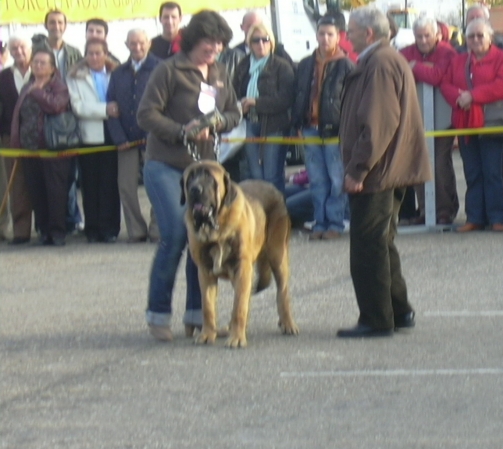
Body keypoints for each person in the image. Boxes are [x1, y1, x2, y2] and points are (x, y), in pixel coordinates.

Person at [137, 10, 241, 342]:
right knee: (175, 236)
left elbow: (234, 111)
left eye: (220, 42)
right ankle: (158, 315)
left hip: (205, 169)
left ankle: (200, 318)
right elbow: (145, 114)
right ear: (194, 39)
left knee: (204, 237)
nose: (215, 47)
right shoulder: (169, 70)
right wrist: (182, 131)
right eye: (210, 41)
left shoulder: (220, 72)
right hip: (165, 165)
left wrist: (219, 123)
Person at [336, 7, 431, 338]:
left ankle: (377, 318)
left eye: (351, 29)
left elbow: (378, 124)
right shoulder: (385, 60)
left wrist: (358, 169)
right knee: (382, 242)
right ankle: (398, 310)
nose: (346, 35)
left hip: (377, 172)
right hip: (387, 169)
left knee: (368, 246)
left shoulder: (379, 64)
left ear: (369, 34)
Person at [440, 18, 503, 232]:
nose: (475, 39)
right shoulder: (458, 60)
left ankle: (498, 217)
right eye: (471, 36)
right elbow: (445, 83)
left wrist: (472, 96)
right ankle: (474, 217)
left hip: (493, 123)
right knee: (472, 172)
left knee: (494, 173)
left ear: (490, 37)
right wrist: (459, 97)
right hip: (465, 123)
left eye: (480, 35)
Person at [291, 15, 354, 240]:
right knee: (317, 179)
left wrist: (347, 129)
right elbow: (298, 95)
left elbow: (351, 101)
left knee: (337, 179)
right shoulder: (306, 63)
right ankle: (320, 222)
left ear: (338, 37)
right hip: (310, 127)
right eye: (321, 34)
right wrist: (298, 122)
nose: (325, 38)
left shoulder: (346, 64)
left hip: (334, 129)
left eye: (330, 34)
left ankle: (335, 223)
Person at [400, 13, 459, 225]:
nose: (423, 41)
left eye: (427, 36)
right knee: (419, 164)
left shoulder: (447, 52)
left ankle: (445, 210)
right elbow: (399, 72)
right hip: (416, 119)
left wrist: (415, 67)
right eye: (419, 37)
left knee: (440, 165)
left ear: (436, 35)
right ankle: (426, 210)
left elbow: (437, 77)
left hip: (443, 119)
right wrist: (423, 69)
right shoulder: (406, 51)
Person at [10, 48, 71, 246]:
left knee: (56, 191)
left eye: (43, 63)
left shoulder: (58, 86)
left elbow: (56, 106)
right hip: (30, 148)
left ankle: (58, 231)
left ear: (52, 68)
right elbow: (20, 114)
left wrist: (37, 91)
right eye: (35, 62)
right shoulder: (28, 85)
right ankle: (43, 230)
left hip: (53, 147)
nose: (37, 66)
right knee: (36, 191)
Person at [32, 10, 84, 236]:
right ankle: (59, 222)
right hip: (45, 123)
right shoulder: (36, 51)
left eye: (60, 22)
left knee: (69, 176)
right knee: (50, 181)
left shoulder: (75, 52)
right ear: (46, 25)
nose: (56, 26)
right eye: (52, 22)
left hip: (69, 118)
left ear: (65, 25)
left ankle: (71, 218)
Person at [107, 29, 160, 244]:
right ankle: (136, 229)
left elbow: (165, 105)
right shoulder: (118, 73)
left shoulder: (161, 69)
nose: (137, 47)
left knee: (156, 185)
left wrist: (154, 133)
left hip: (154, 139)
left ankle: (157, 229)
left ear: (148, 43)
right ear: (126, 45)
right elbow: (112, 107)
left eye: (141, 42)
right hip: (126, 140)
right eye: (132, 43)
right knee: (126, 186)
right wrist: (119, 138)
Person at [66, 38, 121, 243]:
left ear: (106, 54)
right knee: (90, 185)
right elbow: (77, 106)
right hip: (89, 136)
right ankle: (93, 229)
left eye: (99, 53)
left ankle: (110, 228)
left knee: (110, 183)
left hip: (113, 133)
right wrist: (104, 109)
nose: (95, 57)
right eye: (90, 53)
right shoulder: (75, 77)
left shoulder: (116, 73)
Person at [232, 23, 294, 193]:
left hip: (274, 126)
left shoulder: (281, 65)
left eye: (265, 40)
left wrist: (256, 102)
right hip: (249, 123)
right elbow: (234, 92)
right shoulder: (244, 65)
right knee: (256, 175)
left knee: (271, 175)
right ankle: (262, 215)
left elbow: (286, 99)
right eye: (256, 40)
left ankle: (278, 215)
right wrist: (240, 105)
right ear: (249, 43)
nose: (261, 44)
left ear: (271, 42)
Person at [0, 36, 33, 244]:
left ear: (30, 48)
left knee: (36, 184)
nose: (18, 51)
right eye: (14, 48)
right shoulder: (3, 77)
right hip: (7, 137)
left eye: (22, 47)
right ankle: (18, 231)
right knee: (13, 184)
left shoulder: (42, 71)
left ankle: (43, 227)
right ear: (8, 52)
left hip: (36, 138)